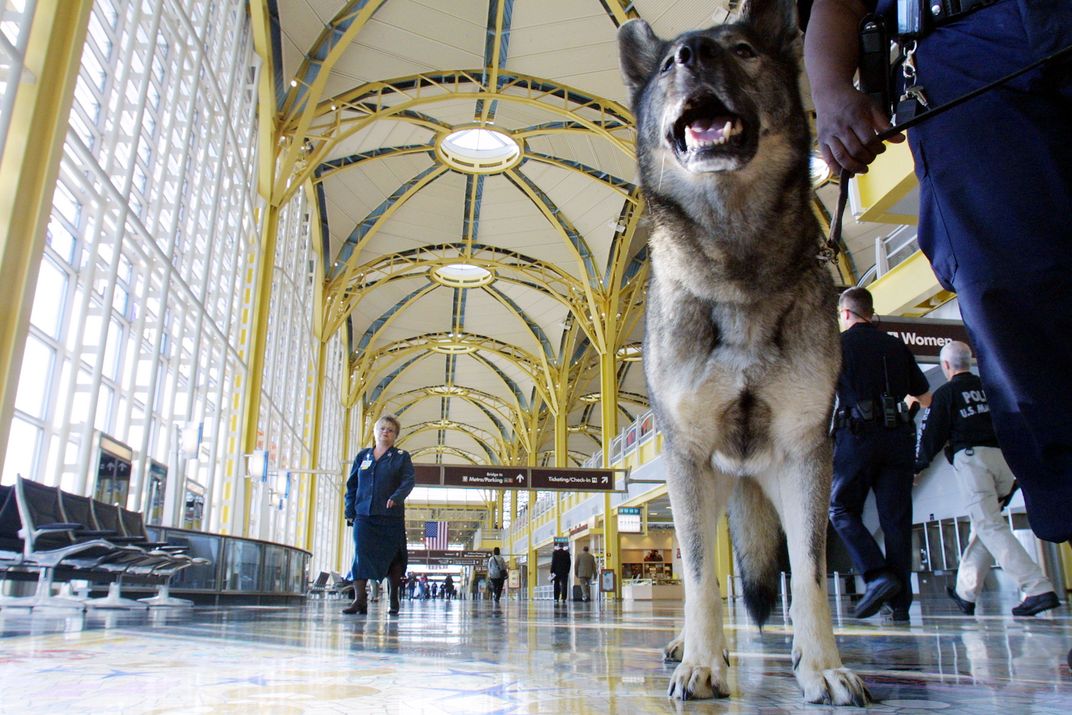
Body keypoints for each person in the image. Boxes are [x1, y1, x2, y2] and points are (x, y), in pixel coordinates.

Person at [804, 0, 1072, 546]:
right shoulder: (890, 347)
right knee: (1011, 296)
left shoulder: (841, 347)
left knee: (1010, 300)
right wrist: (830, 89)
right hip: (968, 54)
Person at [916, 341, 1059, 617]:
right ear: (969, 362)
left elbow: (933, 435)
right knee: (985, 526)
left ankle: (1038, 588)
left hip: (974, 462)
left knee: (990, 526)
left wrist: (917, 465)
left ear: (946, 366)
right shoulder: (991, 389)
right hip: (1004, 462)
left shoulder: (946, 394)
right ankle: (965, 593)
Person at [829, 287, 931, 621]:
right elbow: (923, 395)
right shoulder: (896, 346)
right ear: (869, 312)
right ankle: (899, 605)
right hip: (898, 438)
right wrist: (905, 414)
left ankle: (877, 575)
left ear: (845, 314)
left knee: (841, 508)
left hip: (857, 437)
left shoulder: (839, 347)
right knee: (896, 521)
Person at [342, 414, 415, 616]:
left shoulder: (401, 457)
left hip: (390, 516)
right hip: (364, 515)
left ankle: (393, 598)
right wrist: (350, 510)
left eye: (390, 430)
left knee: (394, 558)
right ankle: (360, 600)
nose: (386, 432)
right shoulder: (362, 457)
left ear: (395, 436)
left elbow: (408, 481)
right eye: (382, 428)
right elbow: (352, 485)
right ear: (375, 432)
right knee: (361, 553)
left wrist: (397, 497)